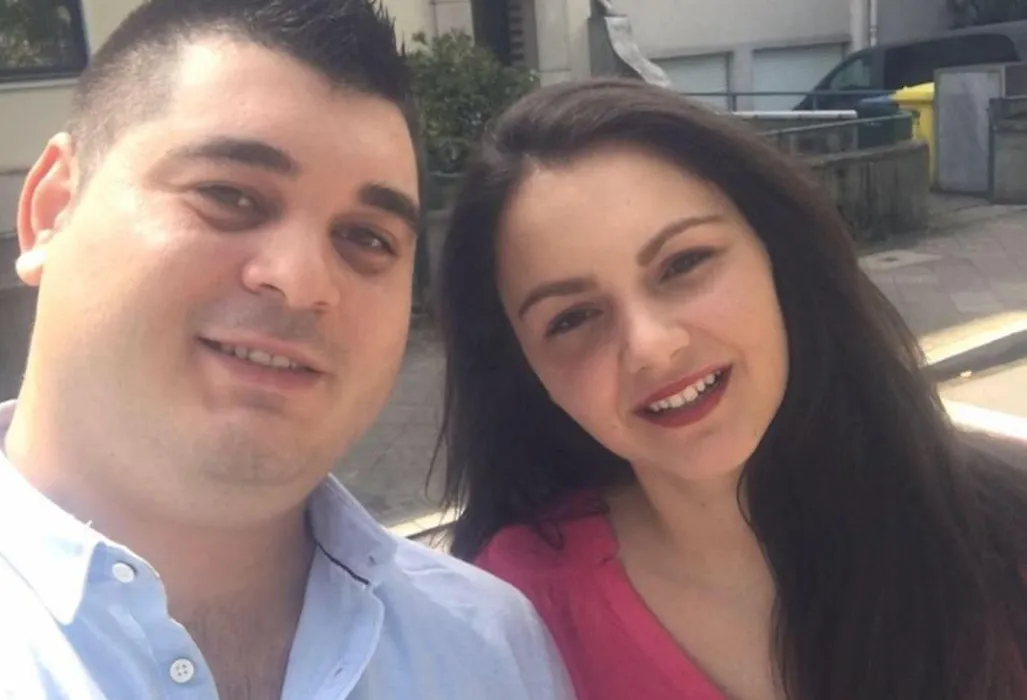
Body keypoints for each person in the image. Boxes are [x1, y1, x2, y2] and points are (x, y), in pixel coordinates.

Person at [0, 1, 574, 698]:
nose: (303, 282)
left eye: (366, 238)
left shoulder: (490, 650)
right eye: (229, 195)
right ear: (51, 210)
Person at [434, 78, 1027, 700]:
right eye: (572, 318)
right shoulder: (513, 612)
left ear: (777, 255)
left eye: (683, 264)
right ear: (526, 369)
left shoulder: (998, 543)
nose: (650, 346)